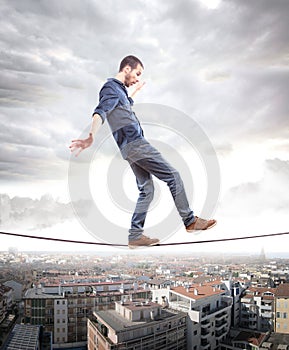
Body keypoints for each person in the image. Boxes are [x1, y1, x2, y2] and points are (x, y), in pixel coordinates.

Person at [69, 55, 216, 248]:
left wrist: (135, 92)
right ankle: (190, 221)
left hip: (129, 148)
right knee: (174, 176)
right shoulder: (110, 89)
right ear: (127, 69)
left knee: (146, 189)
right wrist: (91, 135)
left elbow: (124, 105)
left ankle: (135, 236)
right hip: (136, 144)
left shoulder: (119, 92)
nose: (138, 78)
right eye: (137, 73)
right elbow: (101, 111)